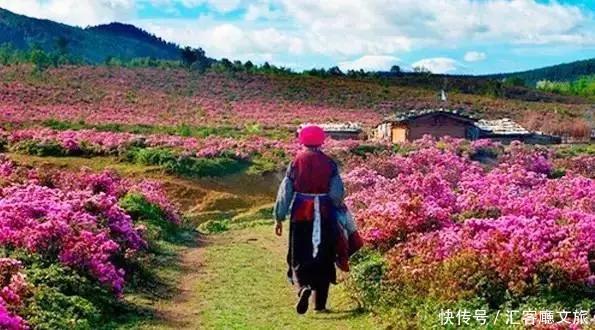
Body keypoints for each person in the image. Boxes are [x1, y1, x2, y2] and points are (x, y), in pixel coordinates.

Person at [273, 125, 345, 314]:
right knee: (324, 256)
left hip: (301, 214)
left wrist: (279, 218)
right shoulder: (329, 163)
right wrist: (337, 210)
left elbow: (285, 193)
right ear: (321, 141)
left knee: (299, 254)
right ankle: (320, 305)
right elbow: (337, 194)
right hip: (325, 213)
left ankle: (303, 286)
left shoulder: (296, 162)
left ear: (302, 140)